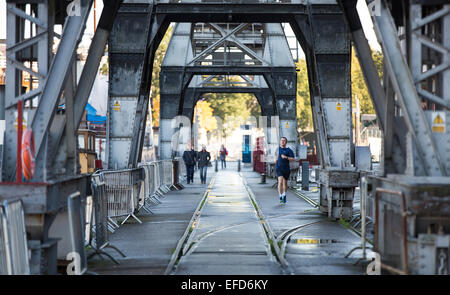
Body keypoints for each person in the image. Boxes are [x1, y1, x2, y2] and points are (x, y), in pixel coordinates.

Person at [275, 137, 295, 204]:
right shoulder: (278, 149)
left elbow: (292, 159)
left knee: (285, 183)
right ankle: (280, 196)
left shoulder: (289, 150)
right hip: (279, 168)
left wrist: (286, 157)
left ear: (286, 142)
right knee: (280, 182)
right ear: (280, 142)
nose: (282, 142)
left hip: (286, 168)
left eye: (284, 141)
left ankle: (284, 195)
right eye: (281, 140)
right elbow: (275, 159)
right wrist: (276, 164)